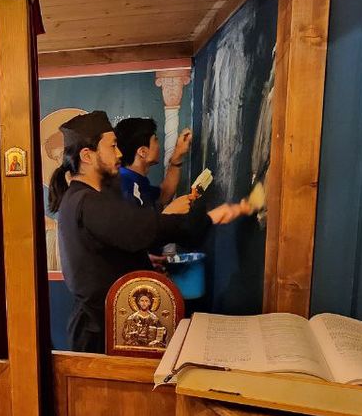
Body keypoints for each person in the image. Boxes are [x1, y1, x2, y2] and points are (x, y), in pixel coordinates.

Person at [48, 111, 248, 353]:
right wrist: (207, 219)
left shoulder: (81, 198)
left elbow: (111, 248)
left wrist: (141, 261)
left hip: (105, 325)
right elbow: (141, 228)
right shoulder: (88, 202)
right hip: (101, 332)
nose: (119, 153)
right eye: (112, 146)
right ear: (87, 156)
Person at [116, 117, 192, 211]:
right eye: (155, 140)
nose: (158, 145)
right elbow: (134, 221)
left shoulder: (135, 179)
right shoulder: (125, 185)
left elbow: (163, 196)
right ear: (143, 152)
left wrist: (177, 156)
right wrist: (171, 212)